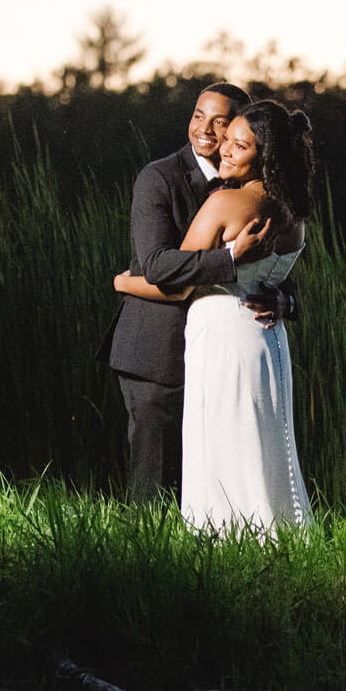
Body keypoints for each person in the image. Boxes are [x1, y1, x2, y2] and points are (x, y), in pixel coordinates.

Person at [113, 98, 314, 532]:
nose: (217, 139)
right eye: (199, 117)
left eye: (231, 135)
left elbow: (165, 274)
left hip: (221, 335)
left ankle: (222, 533)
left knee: (222, 439)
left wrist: (121, 282)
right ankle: (270, 527)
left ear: (265, 154)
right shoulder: (292, 210)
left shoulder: (226, 202)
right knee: (259, 438)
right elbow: (273, 271)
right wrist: (277, 294)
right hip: (239, 343)